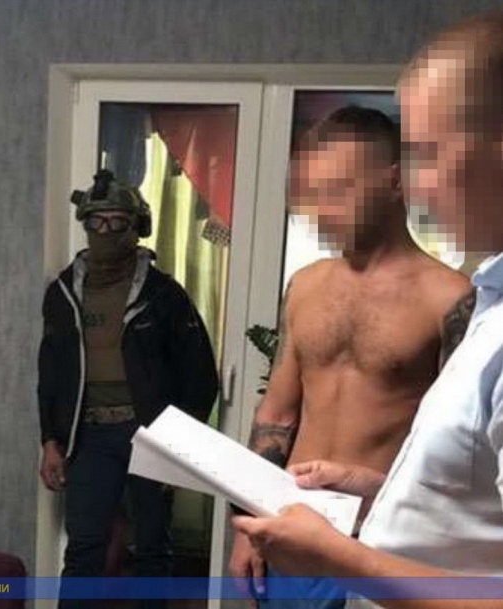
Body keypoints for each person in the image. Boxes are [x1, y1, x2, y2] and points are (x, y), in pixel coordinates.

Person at [232, 12, 503, 609]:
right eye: (313, 196)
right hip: (300, 524)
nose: (320, 212)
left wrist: (351, 543)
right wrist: (251, 521)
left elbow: (470, 483)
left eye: (339, 192)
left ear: (392, 183)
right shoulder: (306, 285)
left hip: (374, 550)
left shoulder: (452, 298)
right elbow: (278, 411)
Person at [37, 169, 219, 609]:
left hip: (150, 436)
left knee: (153, 547)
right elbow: (50, 374)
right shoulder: (62, 294)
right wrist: (49, 441)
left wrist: (178, 446)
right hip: (88, 437)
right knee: (84, 548)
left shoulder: (163, 295)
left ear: (137, 227)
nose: (106, 231)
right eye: (96, 221)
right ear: (84, 224)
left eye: (118, 221)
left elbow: (201, 376)